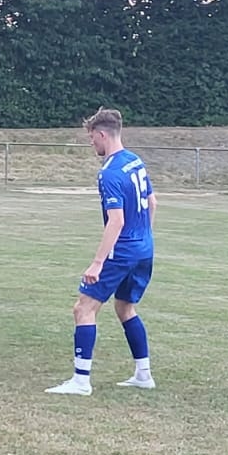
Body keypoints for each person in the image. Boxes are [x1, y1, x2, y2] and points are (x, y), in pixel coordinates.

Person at [45, 108, 156, 396]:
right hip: (144, 248)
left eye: (91, 137)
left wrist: (97, 263)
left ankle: (81, 381)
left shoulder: (109, 173)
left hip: (123, 251)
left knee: (84, 308)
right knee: (125, 307)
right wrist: (144, 237)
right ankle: (143, 374)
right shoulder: (135, 161)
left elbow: (116, 221)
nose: (91, 142)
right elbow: (152, 202)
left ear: (102, 134)